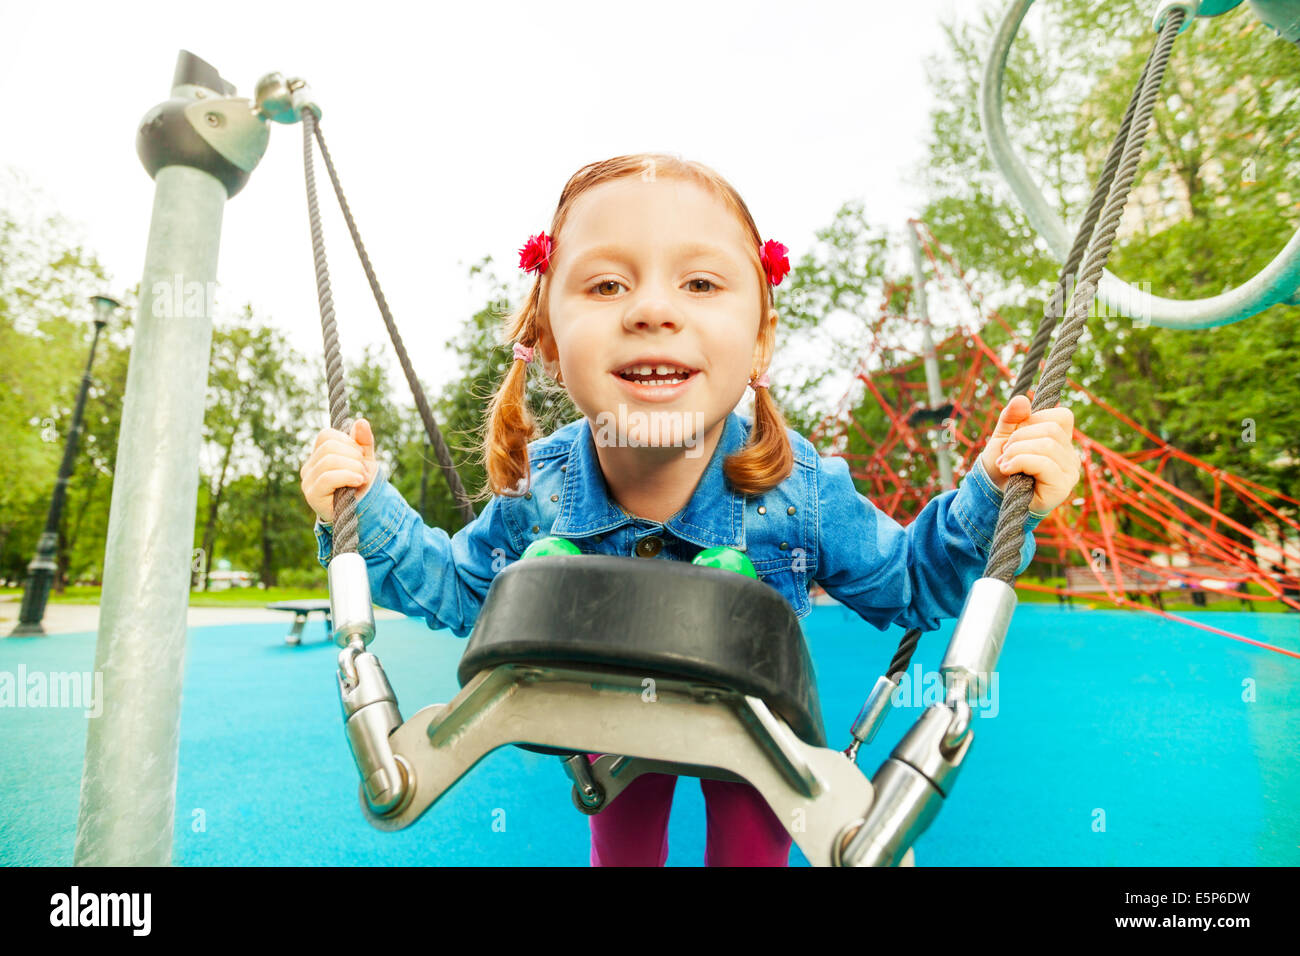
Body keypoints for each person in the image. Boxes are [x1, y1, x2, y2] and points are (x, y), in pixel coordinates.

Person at [299, 152, 1081, 866]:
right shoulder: (542, 490)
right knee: (626, 853)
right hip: (606, 722)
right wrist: (361, 509)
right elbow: (459, 591)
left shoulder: (797, 488)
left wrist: (992, 495)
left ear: (761, 341)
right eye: (606, 285)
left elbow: (909, 580)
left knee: (747, 845)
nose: (651, 310)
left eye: (700, 284)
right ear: (543, 338)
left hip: (753, 727)